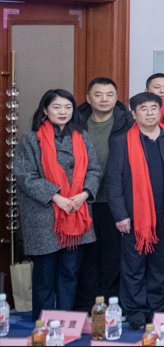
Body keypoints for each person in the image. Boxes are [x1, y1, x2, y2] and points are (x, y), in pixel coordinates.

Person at [18, 89, 102, 320]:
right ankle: (43, 324)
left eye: (68, 107)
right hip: (45, 215)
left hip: (77, 212)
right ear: (45, 110)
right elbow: (25, 177)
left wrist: (85, 194)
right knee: (44, 276)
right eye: (56, 107)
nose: (63, 112)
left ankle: (65, 321)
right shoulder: (31, 140)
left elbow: (94, 170)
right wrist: (56, 196)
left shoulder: (82, 137)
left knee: (69, 272)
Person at [105, 92, 164, 330]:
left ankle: (156, 310)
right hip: (134, 215)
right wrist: (120, 215)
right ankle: (135, 311)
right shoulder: (121, 141)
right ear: (134, 114)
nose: (149, 113)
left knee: (160, 266)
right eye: (143, 109)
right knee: (133, 266)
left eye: (154, 108)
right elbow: (113, 181)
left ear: (160, 111)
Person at [74, 77, 128, 308]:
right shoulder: (75, 122)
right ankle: (87, 303)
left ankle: (110, 302)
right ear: (88, 98)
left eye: (109, 95)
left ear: (116, 97)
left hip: (114, 199)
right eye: (98, 95)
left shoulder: (127, 121)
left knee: (112, 252)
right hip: (81, 198)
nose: (104, 99)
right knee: (85, 253)